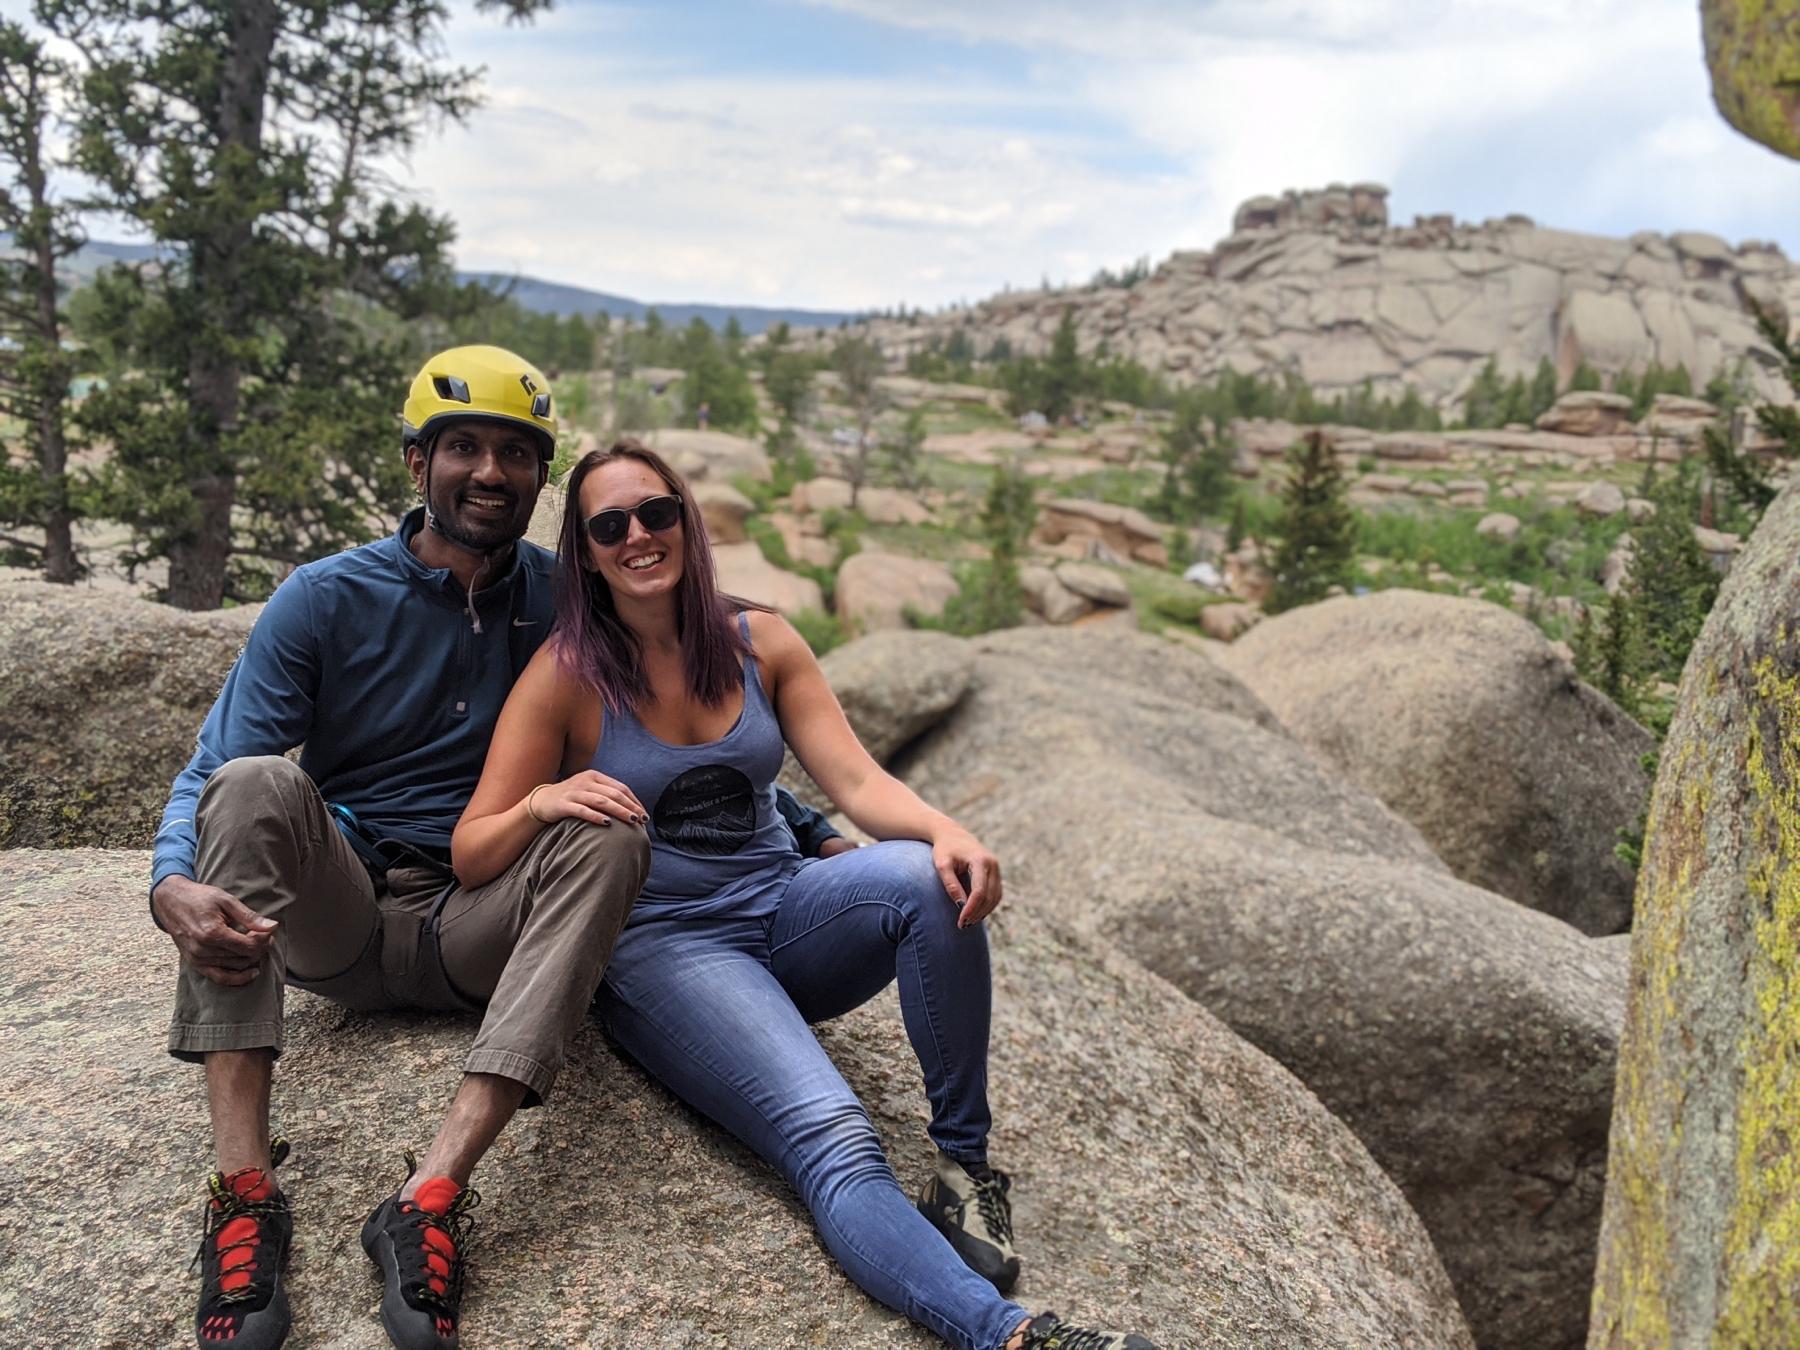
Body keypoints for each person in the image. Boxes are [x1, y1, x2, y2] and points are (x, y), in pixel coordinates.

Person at [453, 439, 1160, 1350]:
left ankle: (964, 1166)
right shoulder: (564, 678)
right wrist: (544, 800)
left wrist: (947, 829)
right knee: (837, 1136)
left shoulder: (761, 641)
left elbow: (859, 785)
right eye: (610, 524)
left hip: (787, 909)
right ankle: (1015, 1337)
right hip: (667, 952)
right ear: (585, 553)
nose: (639, 536)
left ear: (687, 522)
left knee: (921, 877)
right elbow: (472, 851)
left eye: (657, 513)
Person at [151, 347, 650, 1350]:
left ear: (541, 477)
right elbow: (217, 763)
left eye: (516, 452)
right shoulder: (326, 598)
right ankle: (246, 1192)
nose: (490, 472)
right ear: (415, 462)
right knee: (256, 782)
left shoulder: (567, 602)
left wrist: (805, 829)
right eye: (462, 446)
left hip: (481, 923)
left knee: (610, 825)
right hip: (341, 918)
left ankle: (426, 1200)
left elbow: (677, 725)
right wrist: (171, 884)